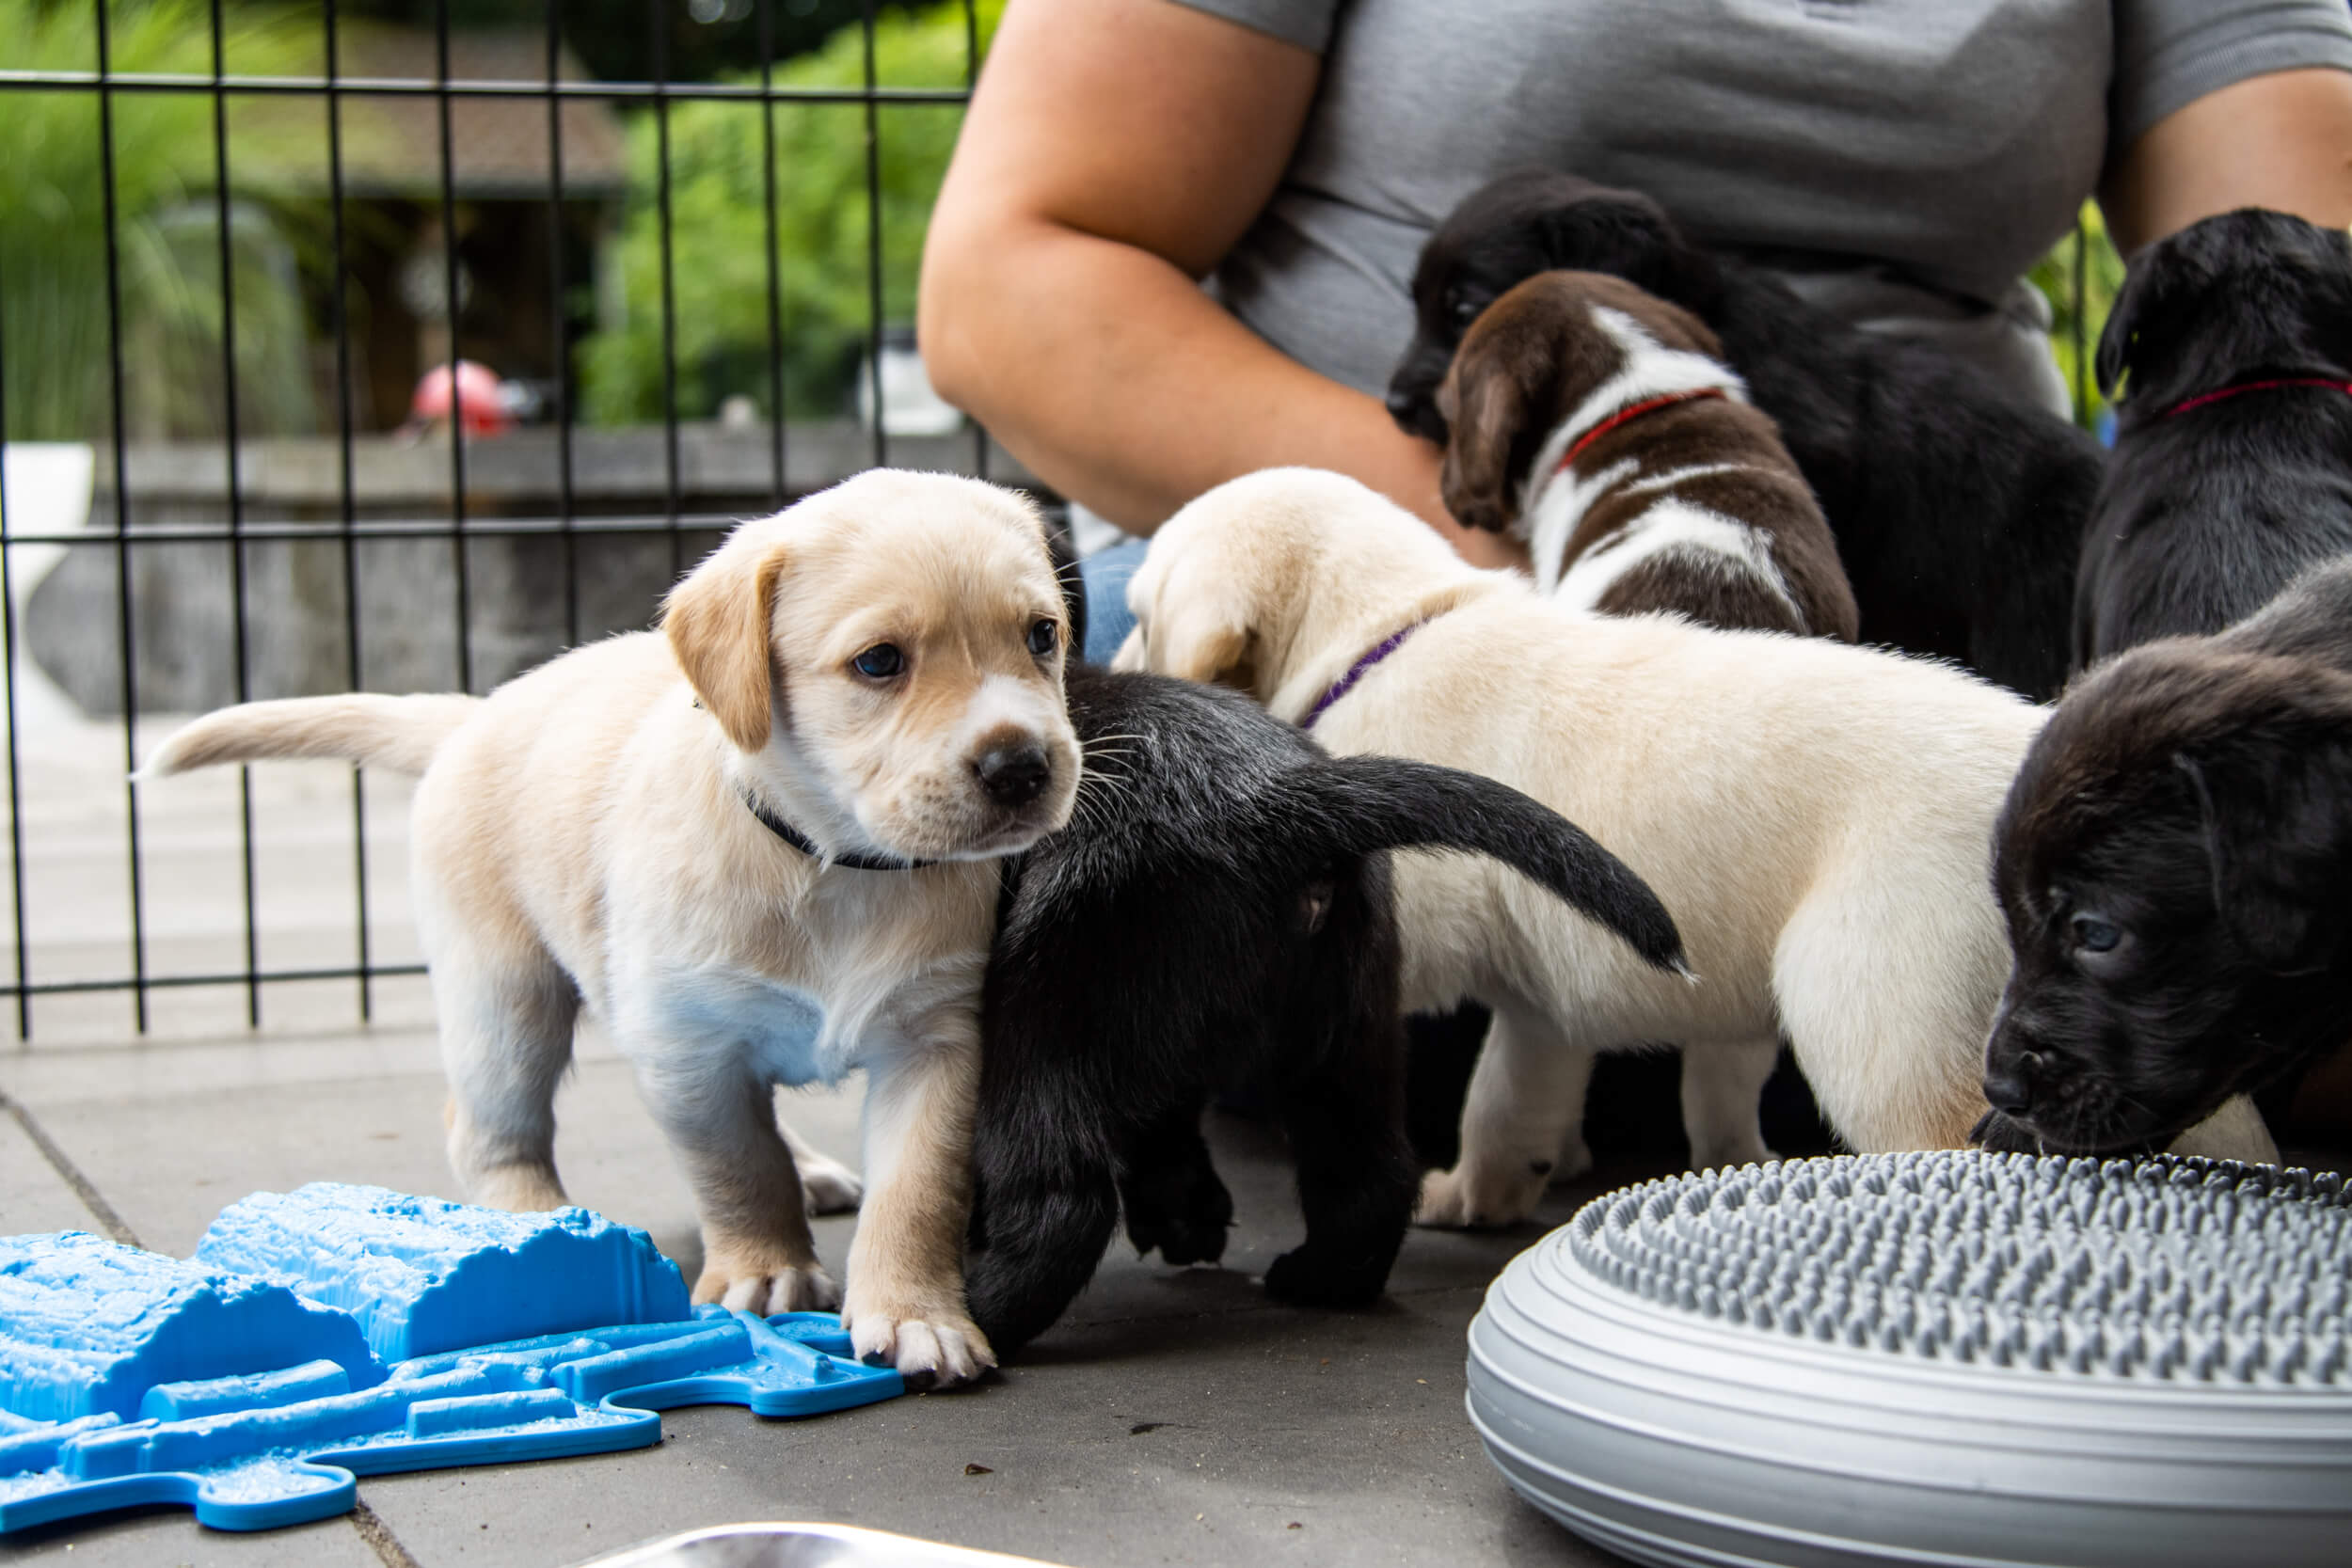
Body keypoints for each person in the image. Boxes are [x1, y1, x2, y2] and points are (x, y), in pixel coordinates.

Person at [919, 0, 2352, 659]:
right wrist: (1529, 526)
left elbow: (2302, 306)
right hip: (1429, 578)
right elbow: (1015, 280)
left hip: (1958, 622)